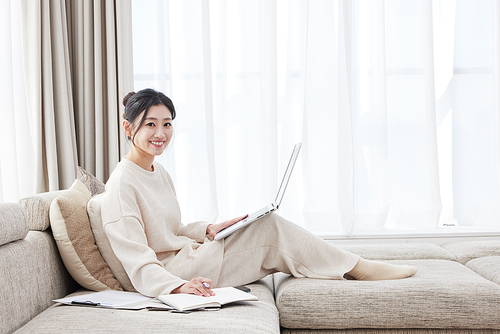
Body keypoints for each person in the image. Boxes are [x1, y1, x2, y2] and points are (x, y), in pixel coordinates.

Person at [99, 88, 417, 298]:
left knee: (262, 226)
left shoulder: (157, 171)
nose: (160, 133)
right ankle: (357, 268)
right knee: (268, 229)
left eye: (167, 124)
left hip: (189, 255)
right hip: (172, 273)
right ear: (129, 128)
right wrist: (178, 287)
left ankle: (349, 266)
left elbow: (170, 231)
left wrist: (208, 229)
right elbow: (137, 261)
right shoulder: (122, 184)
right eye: (150, 124)